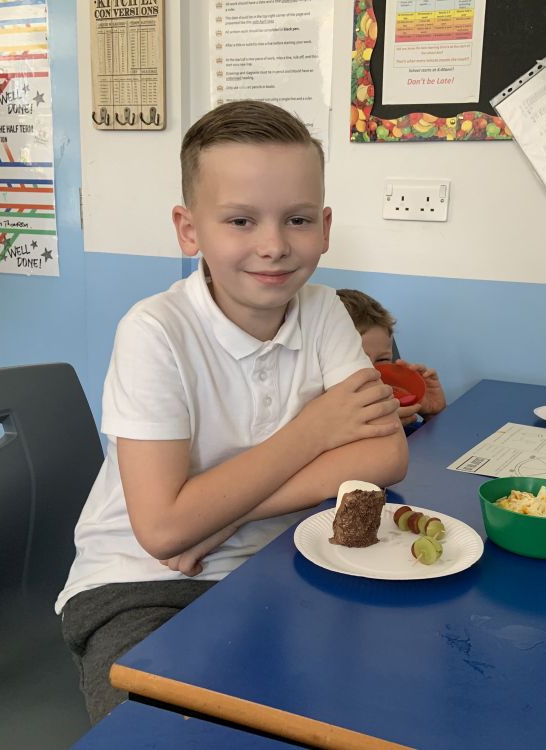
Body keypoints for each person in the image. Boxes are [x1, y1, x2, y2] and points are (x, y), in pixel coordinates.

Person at [56, 100, 408, 723]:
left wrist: (220, 518)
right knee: (163, 734)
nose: (273, 245)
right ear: (189, 229)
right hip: (144, 585)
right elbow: (162, 532)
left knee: (367, 700)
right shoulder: (155, 331)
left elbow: (385, 454)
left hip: (276, 561)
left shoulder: (325, 310)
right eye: (241, 220)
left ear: (325, 226)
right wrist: (315, 430)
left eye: (297, 219)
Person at [336, 289, 447, 429]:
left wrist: (435, 413)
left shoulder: (392, 407)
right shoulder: (320, 419)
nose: (373, 373)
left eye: (382, 360)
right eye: (358, 362)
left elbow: (441, 438)